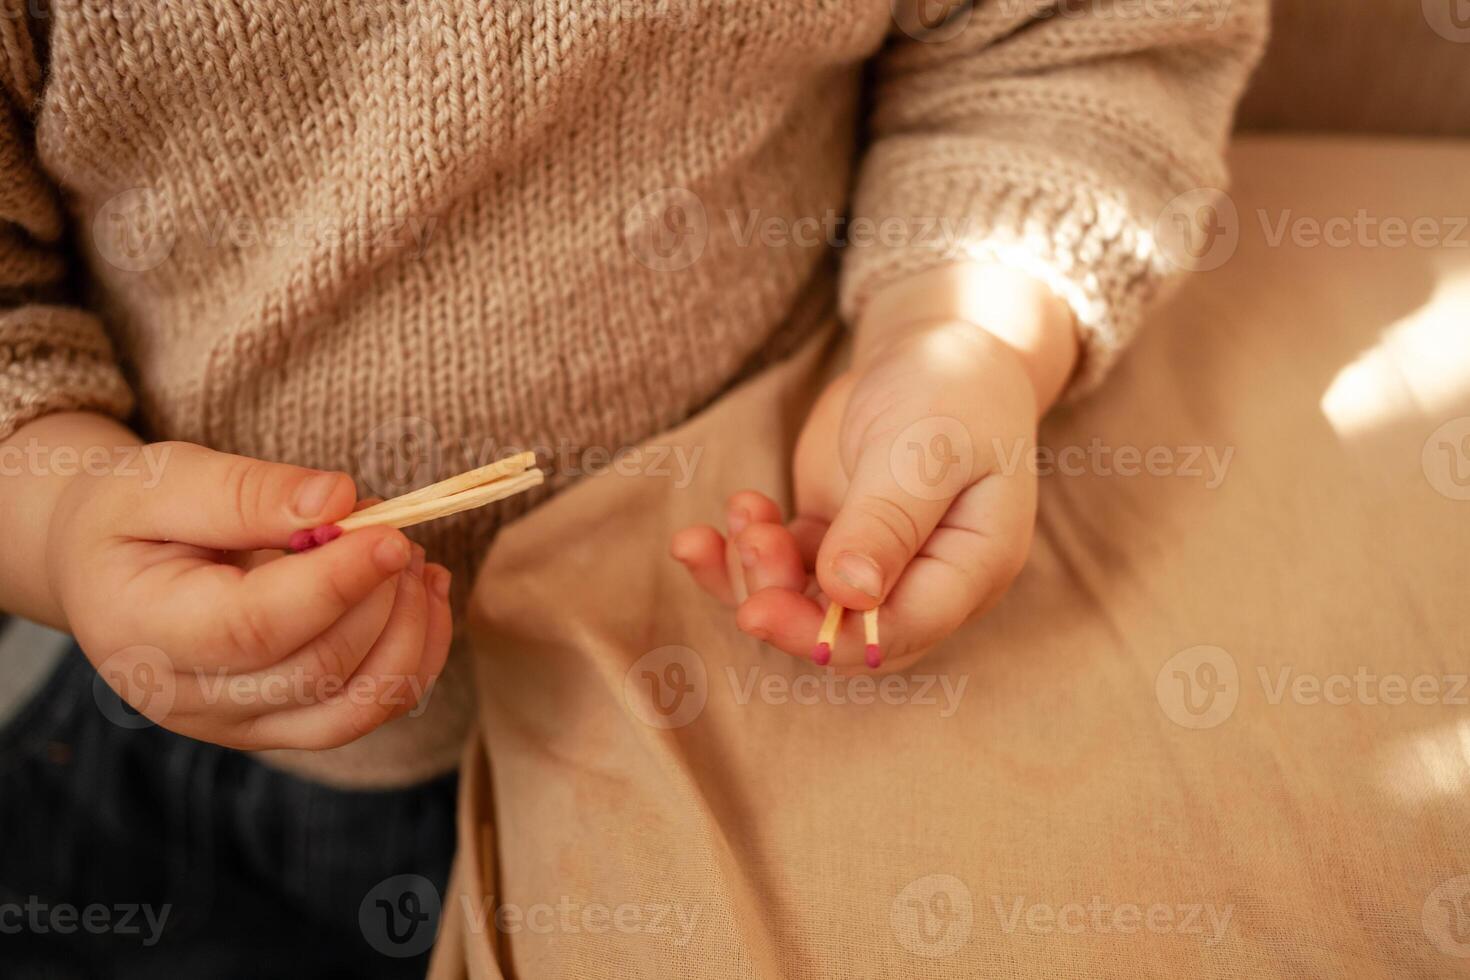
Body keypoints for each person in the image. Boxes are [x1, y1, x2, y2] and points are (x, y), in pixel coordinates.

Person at [0, 0, 1267, 975]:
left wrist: (961, 334)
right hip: (164, 744)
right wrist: (61, 521)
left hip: (720, 691)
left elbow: (1065, 45)